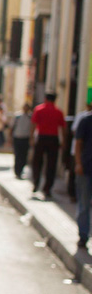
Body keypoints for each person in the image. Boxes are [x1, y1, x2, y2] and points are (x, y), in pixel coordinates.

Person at [31, 93, 67, 198]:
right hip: (53, 139)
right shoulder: (58, 112)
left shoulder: (39, 109)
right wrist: (63, 141)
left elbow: (33, 124)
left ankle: (36, 183)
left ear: (45, 99)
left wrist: (31, 138)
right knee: (51, 165)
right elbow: (63, 128)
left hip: (41, 138)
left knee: (37, 162)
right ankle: (47, 188)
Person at [74, 106, 92, 248]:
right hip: (85, 168)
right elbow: (78, 143)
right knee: (84, 205)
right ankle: (83, 236)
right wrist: (78, 163)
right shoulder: (85, 121)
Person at [10, 104, 32, 179]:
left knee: (24, 156)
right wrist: (10, 138)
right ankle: (17, 171)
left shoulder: (30, 117)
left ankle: (21, 170)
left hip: (26, 138)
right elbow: (12, 127)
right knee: (17, 155)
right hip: (17, 138)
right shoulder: (17, 116)